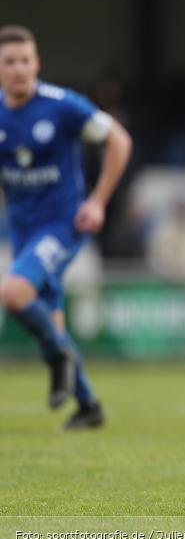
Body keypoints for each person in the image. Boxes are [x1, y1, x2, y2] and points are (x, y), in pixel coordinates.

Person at [0, 25, 132, 430]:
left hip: (62, 224)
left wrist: (98, 201)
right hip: (22, 229)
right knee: (50, 323)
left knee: (13, 293)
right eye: (9, 62)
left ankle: (58, 358)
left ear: (37, 63)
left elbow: (119, 141)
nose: (19, 69)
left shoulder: (62, 106)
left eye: (25, 60)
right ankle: (88, 407)